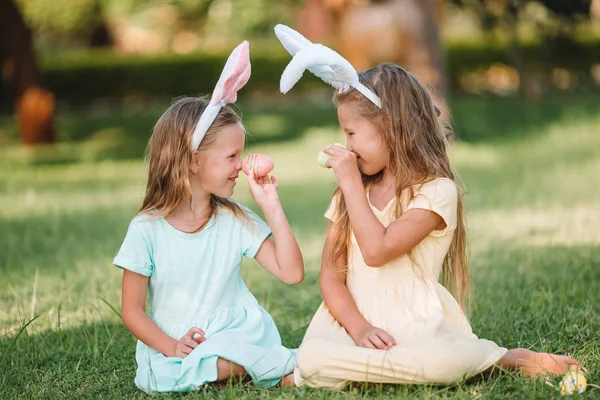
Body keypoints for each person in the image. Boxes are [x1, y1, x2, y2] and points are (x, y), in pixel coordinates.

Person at [273, 25, 582, 388]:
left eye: (352, 134)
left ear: (391, 127)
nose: (347, 145)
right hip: (352, 321)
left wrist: (350, 186)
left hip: (415, 325)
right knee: (313, 357)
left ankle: (500, 359)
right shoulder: (349, 195)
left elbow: (378, 250)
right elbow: (330, 275)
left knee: (442, 362)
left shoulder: (437, 191)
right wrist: (359, 328)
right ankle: (367, 369)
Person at [113, 41, 303, 393]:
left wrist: (271, 205)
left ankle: (253, 366)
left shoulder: (235, 219)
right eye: (232, 156)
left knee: (220, 361)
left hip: (235, 334)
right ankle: (269, 369)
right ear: (193, 160)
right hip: (174, 340)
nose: (241, 166)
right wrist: (172, 347)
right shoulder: (146, 230)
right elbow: (132, 310)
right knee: (165, 375)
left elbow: (291, 274)